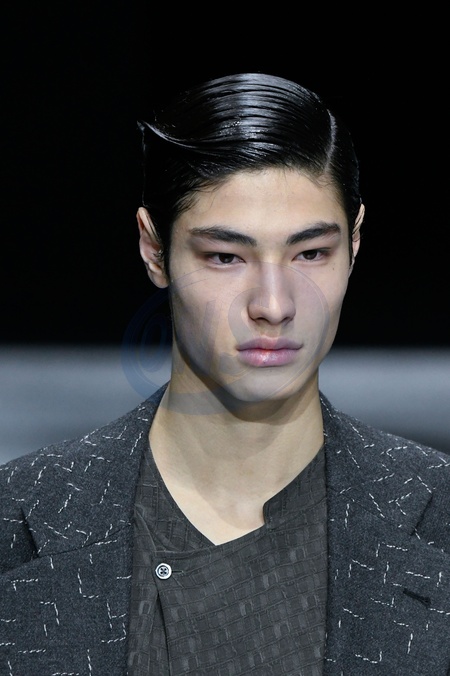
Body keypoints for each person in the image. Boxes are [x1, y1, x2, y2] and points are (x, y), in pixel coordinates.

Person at [1, 72, 449, 676]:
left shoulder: (438, 519)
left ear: (356, 244)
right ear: (154, 250)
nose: (274, 304)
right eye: (225, 256)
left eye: (311, 253)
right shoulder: (18, 516)